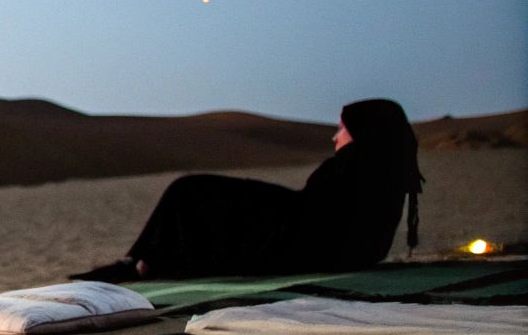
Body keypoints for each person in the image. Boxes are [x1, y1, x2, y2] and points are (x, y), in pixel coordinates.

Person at [73, 99, 423, 282]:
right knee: (207, 195)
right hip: (330, 249)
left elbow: (310, 223)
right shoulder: (382, 172)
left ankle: (144, 264)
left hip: (307, 250)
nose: (335, 137)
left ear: (362, 132)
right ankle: (148, 262)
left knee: (190, 191)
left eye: (341, 129)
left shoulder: (352, 168)